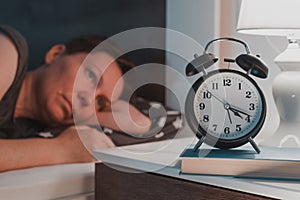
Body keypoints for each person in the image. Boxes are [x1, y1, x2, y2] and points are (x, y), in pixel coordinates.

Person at [0, 25, 151, 172]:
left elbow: (138, 123)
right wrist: (60, 150)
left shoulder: (28, 130)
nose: (88, 100)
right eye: (91, 76)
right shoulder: (8, 51)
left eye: (99, 102)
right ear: (56, 54)